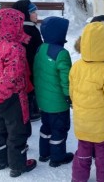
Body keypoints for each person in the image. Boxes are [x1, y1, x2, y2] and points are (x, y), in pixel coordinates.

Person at [70, 21, 104, 182]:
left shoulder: (76, 67)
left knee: (82, 153)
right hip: (102, 127)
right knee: (103, 156)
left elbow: (72, 93)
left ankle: (78, 178)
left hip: (82, 123)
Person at [0, 8, 37, 178]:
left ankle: (0, 160)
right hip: (12, 96)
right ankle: (18, 165)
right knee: (17, 131)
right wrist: (4, 92)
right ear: (12, 26)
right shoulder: (16, 48)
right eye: (18, 24)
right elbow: (12, 74)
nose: (20, 28)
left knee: (0, 129)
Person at [33, 16, 74, 168]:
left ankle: (44, 153)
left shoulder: (40, 48)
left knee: (46, 126)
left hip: (43, 100)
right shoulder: (61, 53)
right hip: (58, 103)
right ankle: (57, 157)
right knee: (59, 128)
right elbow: (66, 79)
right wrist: (69, 95)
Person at [12, 0, 43, 122]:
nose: (36, 14)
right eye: (33, 12)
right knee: (31, 87)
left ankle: (27, 109)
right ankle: (32, 111)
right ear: (25, 14)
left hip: (23, 64)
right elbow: (38, 47)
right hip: (31, 64)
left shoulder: (19, 28)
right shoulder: (31, 29)